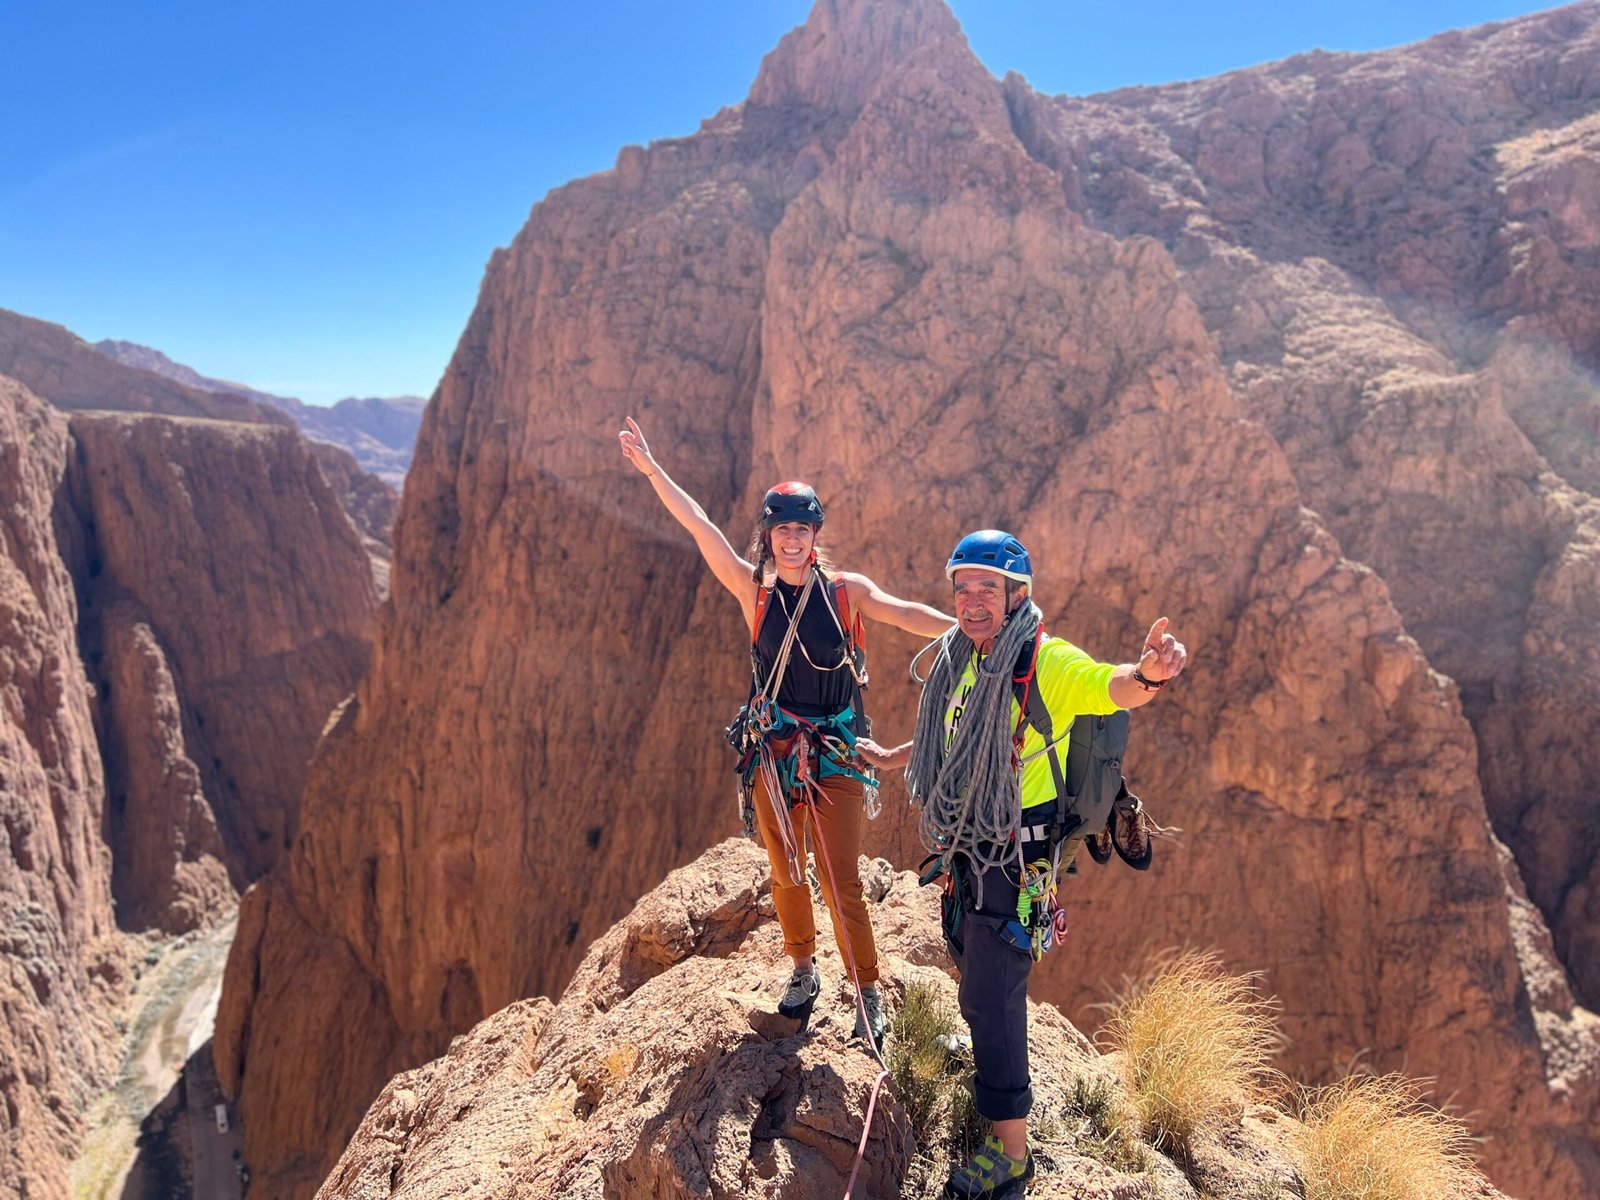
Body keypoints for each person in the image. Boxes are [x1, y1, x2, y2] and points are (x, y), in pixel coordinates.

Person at [860, 529, 1188, 1199]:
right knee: (967, 953)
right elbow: (950, 735)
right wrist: (898, 759)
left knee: (993, 991)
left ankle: (1011, 1153)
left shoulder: (1046, 660)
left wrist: (1149, 674)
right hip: (970, 847)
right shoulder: (964, 657)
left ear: (1018, 596)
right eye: (963, 589)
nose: (972, 601)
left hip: (1014, 855)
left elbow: (1109, 686)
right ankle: (988, 1062)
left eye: (988, 589)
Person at [618, 416, 953, 1044]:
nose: (791, 541)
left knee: (841, 877)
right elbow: (701, 530)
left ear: (815, 535)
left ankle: (868, 989)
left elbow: (905, 612)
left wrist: (969, 633)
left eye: (802, 530)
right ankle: (803, 968)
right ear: (768, 534)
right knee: (786, 867)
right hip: (773, 754)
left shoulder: (845, 593)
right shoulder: (757, 593)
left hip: (835, 752)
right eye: (781, 530)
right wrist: (653, 470)